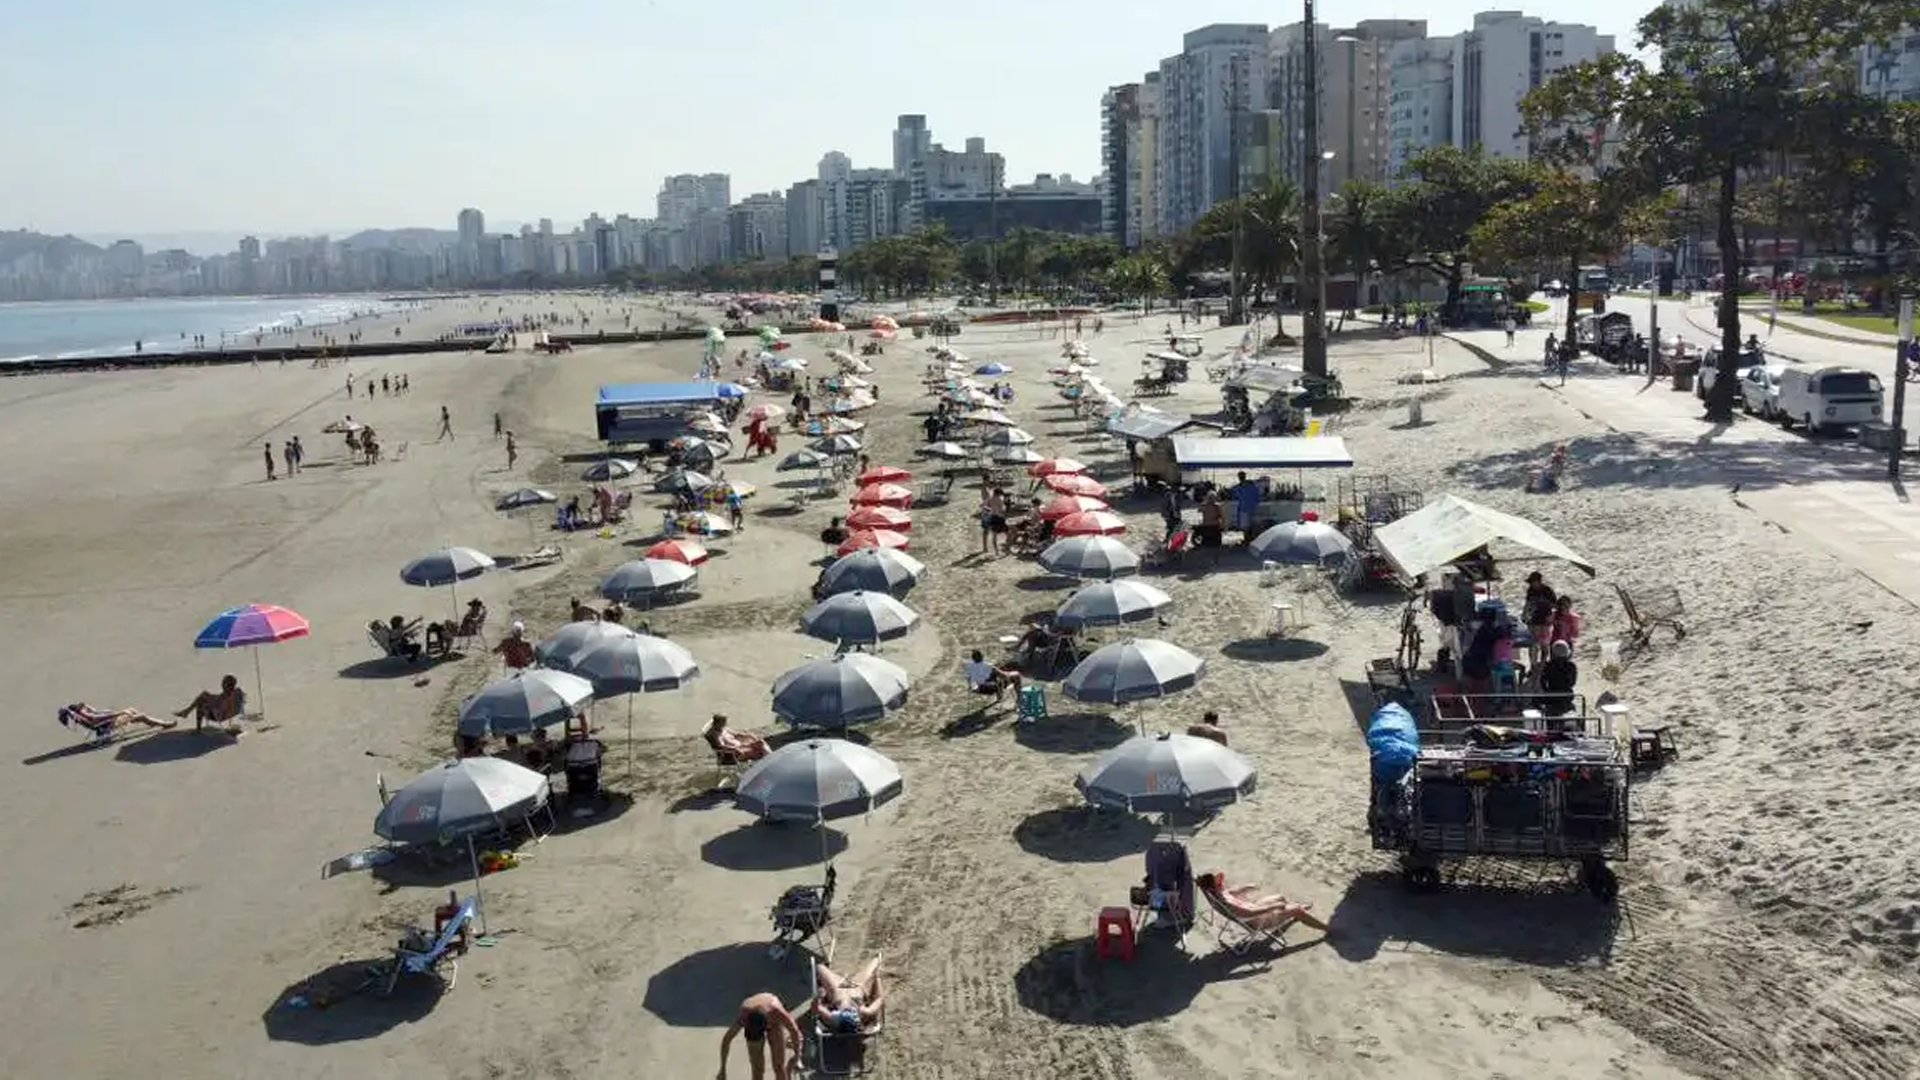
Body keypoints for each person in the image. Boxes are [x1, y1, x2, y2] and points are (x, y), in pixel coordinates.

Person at [1196, 872, 1330, 933]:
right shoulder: (1224, 901)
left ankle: (1294, 912)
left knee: (1280, 897)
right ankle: (1326, 929)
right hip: (1257, 920)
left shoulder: (1214, 894)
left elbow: (1229, 892)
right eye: (1218, 882)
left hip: (1253, 910)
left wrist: (1246, 887)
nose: (1221, 882)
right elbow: (1250, 912)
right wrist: (1272, 907)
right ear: (1214, 886)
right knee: (1296, 910)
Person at [718, 992, 802, 1080]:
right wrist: (722, 1068)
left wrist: (796, 1056)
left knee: (778, 1066)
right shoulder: (744, 1016)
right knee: (757, 1069)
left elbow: (794, 1031)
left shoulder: (777, 1012)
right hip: (757, 1020)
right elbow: (726, 1040)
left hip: (773, 1020)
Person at [812, 956, 887, 1034]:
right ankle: (839, 977)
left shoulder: (833, 1018)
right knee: (876, 962)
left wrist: (819, 997)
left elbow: (815, 1007)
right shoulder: (864, 1012)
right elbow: (880, 999)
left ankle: (838, 977)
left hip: (838, 987)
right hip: (857, 986)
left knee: (819, 967)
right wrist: (878, 978)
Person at [60, 702, 176, 740]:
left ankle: (149, 722)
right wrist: (121, 713)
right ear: (79, 710)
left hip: (105, 724)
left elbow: (95, 712)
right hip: (108, 725)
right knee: (141, 716)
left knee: (132, 711)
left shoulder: (82, 716)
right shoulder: (87, 716)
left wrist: (86, 706)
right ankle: (164, 724)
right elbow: (98, 718)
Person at [174, 674, 247, 732]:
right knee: (204, 695)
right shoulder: (235, 693)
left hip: (217, 715)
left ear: (226, 684)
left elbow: (220, 708)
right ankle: (186, 712)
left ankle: (194, 723)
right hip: (222, 712)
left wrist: (210, 704)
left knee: (201, 702)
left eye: (224, 682)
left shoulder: (228, 696)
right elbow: (239, 703)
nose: (222, 684)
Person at [1521, 571, 1557, 666]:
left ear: (1538, 581)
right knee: (1533, 645)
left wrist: (1551, 616)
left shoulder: (1547, 591)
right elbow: (1528, 603)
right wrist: (1524, 614)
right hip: (1533, 620)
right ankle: (1533, 665)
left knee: (1544, 645)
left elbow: (1555, 606)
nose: (1531, 584)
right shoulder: (1530, 591)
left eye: (1533, 582)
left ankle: (1543, 664)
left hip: (1545, 621)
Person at [1538, 640, 1579, 718]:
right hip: (1566, 696)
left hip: (1551, 696)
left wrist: (1546, 691)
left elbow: (1542, 681)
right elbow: (1572, 683)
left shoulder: (1548, 665)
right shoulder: (1571, 666)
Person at [703, 714, 770, 761]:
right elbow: (722, 747)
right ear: (717, 723)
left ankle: (769, 758)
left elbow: (736, 734)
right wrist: (739, 747)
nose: (726, 724)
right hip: (734, 754)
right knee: (760, 750)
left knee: (760, 742)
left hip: (740, 747)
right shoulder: (716, 735)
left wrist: (748, 735)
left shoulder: (724, 729)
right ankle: (769, 759)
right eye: (724, 722)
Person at [1230, 471, 1262, 542]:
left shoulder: (1239, 487)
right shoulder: (1252, 486)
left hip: (1244, 508)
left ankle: (1247, 539)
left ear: (1239, 477)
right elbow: (1258, 497)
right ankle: (1250, 539)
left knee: (1245, 526)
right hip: (1253, 508)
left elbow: (1232, 493)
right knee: (1251, 524)